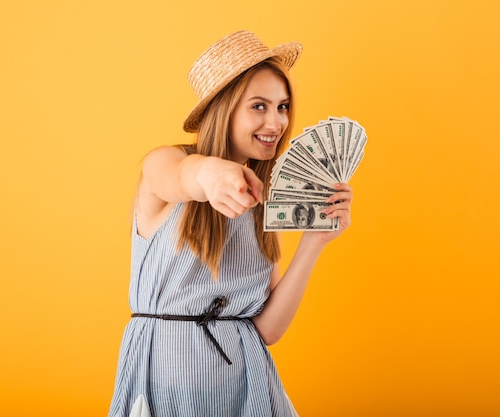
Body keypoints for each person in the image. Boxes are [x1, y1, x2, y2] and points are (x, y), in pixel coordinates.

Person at [107, 30, 353, 417]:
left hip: (248, 388)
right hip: (164, 386)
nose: (277, 122)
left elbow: (268, 330)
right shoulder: (164, 166)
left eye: (283, 106)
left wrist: (314, 242)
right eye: (259, 106)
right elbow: (179, 174)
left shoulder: (265, 202)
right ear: (224, 109)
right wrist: (208, 173)